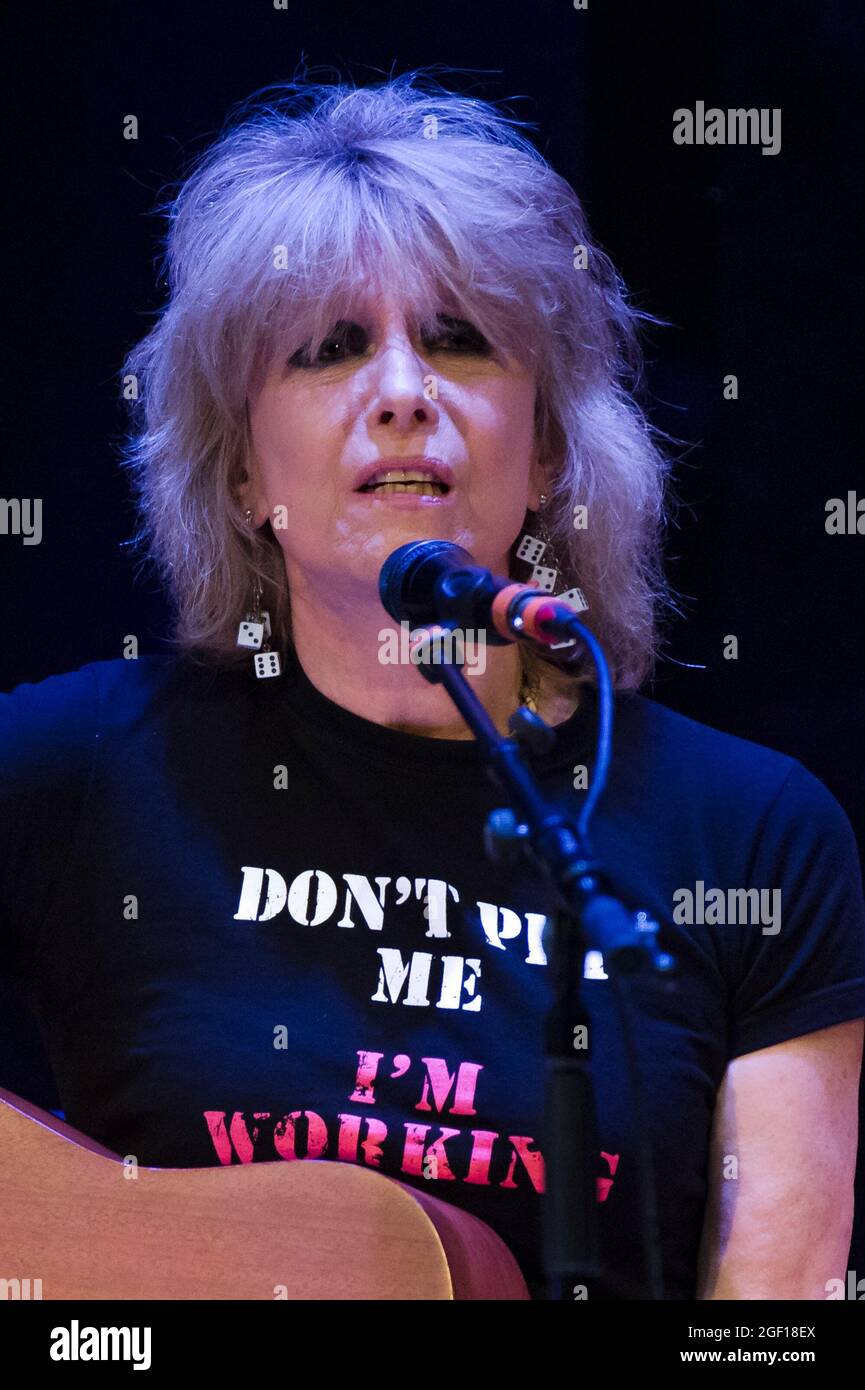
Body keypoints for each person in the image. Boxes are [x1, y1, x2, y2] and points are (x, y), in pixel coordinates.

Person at [1, 71, 863, 1302]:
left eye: (460, 340)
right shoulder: (81, 765)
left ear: (549, 445)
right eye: (330, 349)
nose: (404, 391)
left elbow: (773, 1310)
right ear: (243, 470)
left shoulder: (754, 835)